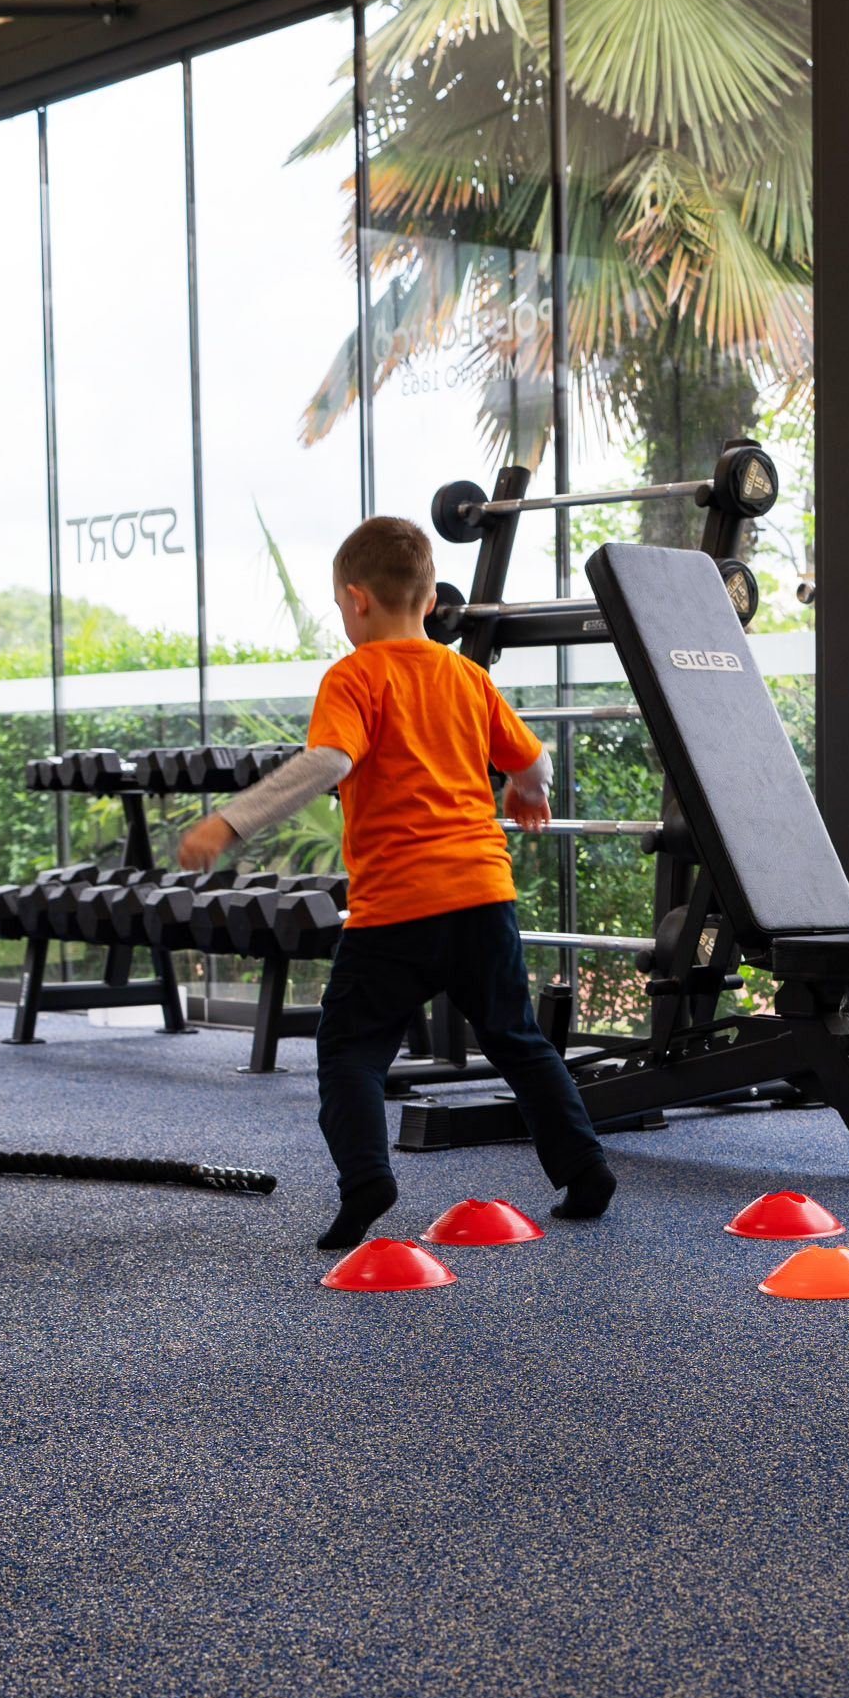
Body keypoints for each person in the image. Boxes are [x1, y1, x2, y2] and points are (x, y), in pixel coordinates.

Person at [177, 516, 612, 1249]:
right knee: (518, 1040)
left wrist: (229, 823)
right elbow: (530, 757)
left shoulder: (354, 676)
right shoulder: (468, 677)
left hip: (396, 912)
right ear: (431, 597)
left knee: (349, 1050)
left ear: (354, 601)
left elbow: (329, 764)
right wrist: (528, 792)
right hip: (481, 898)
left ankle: (367, 1179)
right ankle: (584, 1170)